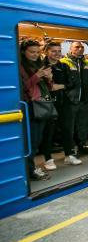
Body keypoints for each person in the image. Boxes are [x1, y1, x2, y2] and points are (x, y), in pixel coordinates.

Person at [40, 41, 82, 170]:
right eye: (54, 51)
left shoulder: (64, 66)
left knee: (67, 129)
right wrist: (50, 86)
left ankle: (69, 155)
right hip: (48, 102)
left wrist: (60, 86)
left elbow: (72, 83)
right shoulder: (41, 66)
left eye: (59, 51)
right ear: (46, 52)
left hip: (64, 101)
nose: (57, 54)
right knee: (49, 131)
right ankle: (48, 159)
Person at [19, 39, 54, 181]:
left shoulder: (38, 64)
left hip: (42, 104)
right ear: (23, 52)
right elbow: (21, 88)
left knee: (37, 139)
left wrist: (49, 78)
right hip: (31, 107)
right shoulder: (20, 67)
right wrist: (37, 76)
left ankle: (31, 168)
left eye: (37, 52)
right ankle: (29, 170)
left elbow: (48, 87)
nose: (35, 55)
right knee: (31, 141)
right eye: (31, 52)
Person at [60, 41, 88, 156]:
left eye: (82, 47)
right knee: (69, 127)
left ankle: (82, 146)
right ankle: (70, 150)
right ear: (71, 49)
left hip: (85, 100)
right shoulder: (63, 63)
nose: (80, 49)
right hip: (70, 101)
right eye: (77, 47)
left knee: (83, 126)